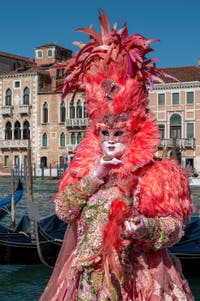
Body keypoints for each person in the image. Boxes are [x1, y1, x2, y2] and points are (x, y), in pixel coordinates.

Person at [40, 9, 195, 301]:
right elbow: (64, 211)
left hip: (136, 282)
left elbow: (174, 229)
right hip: (85, 281)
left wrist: (145, 227)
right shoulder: (84, 169)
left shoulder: (157, 174)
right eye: (105, 134)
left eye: (118, 134)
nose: (110, 141)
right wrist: (94, 176)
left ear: (135, 132)